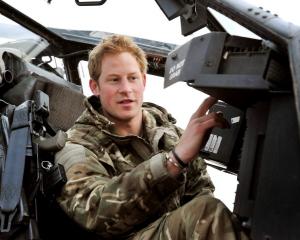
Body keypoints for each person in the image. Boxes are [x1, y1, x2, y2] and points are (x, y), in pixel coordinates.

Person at [55, 34, 248, 240]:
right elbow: (93, 213)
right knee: (204, 214)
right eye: (114, 80)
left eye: (132, 78)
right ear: (95, 87)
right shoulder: (76, 146)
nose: (126, 89)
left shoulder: (166, 130)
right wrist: (173, 162)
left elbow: (200, 191)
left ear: (144, 81)